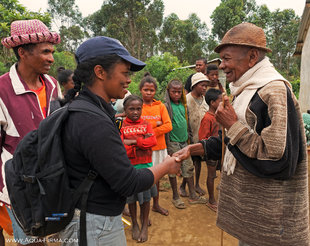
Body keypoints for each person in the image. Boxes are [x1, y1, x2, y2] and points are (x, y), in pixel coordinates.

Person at [174, 22, 309, 246]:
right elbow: (232, 144)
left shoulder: (273, 91)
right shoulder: (246, 89)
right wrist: (196, 148)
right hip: (252, 219)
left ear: (252, 56)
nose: (222, 66)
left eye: (226, 58)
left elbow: (279, 161)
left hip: (271, 226)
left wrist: (232, 125)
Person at [57, 36, 180, 246]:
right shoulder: (93, 121)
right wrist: (166, 166)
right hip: (96, 225)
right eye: (125, 73)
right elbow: (128, 183)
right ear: (100, 72)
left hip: (88, 216)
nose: (129, 80)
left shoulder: (86, 110)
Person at [0, 19, 62, 246]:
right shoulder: (2, 89)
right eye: (45, 52)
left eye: (52, 52)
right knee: (31, 240)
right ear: (23, 52)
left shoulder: (53, 85)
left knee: (53, 230)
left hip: (50, 180)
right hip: (18, 188)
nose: (52, 59)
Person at [164, 79, 206, 209]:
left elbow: (186, 123)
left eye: (178, 92)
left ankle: (192, 195)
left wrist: (190, 139)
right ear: (168, 92)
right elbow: (166, 127)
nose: (176, 94)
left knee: (188, 167)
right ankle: (175, 196)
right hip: (173, 142)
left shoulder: (183, 104)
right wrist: (167, 146)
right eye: (173, 92)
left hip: (184, 142)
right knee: (173, 169)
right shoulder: (166, 106)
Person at [120, 95, 157, 243]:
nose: (135, 112)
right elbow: (122, 147)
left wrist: (133, 142)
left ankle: (144, 226)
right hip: (129, 168)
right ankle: (134, 223)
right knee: (132, 199)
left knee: (146, 199)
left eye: (138, 109)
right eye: (131, 109)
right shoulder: (121, 125)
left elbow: (152, 141)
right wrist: (142, 142)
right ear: (125, 110)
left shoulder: (146, 123)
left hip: (146, 167)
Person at [140, 73, 172, 216]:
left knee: (157, 178)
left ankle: (156, 205)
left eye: (151, 90)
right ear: (141, 90)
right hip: (142, 149)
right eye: (146, 89)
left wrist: (149, 129)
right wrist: (156, 124)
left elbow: (168, 126)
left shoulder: (160, 106)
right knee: (143, 178)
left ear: (155, 91)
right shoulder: (136, 105)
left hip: (159, 148)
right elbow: (137, 127)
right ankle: (143, 210)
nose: (148, 92)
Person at [180, 72, 209, 197]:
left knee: (197, 162)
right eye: (202, 85)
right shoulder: (186, 100)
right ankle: (182, 186)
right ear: (194, 85)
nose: (204, 88)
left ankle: (196, 184)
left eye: (205, 86)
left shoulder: (205, 100)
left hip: (201, 138)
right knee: (188, 165)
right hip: (189, 138)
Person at [198, 89, 222, 212]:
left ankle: (221, 198)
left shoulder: (219, 116)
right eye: (220, 100)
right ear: (212, 102)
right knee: (211, 175)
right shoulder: (208, 118)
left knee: (222, 173)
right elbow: (202, 137)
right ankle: (211, 200)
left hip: (220, 150)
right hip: (211, 151)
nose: (222, 102)